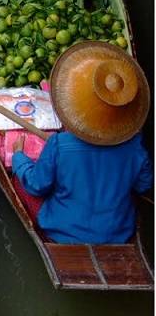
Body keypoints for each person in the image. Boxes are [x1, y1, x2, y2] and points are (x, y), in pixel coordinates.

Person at [11, 41, 153, 244]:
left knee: (20, 179)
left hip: (62, 231)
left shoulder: (60, 144)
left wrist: (19, 157)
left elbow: (36, 185)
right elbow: (143, 186)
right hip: (118, 233)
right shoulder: (136, 148)